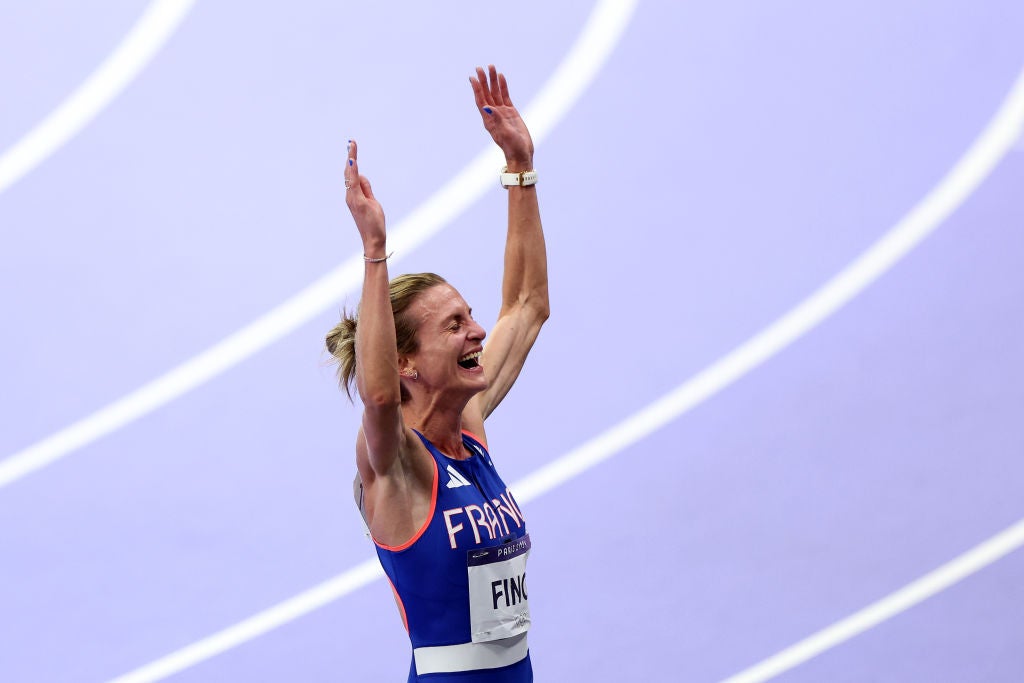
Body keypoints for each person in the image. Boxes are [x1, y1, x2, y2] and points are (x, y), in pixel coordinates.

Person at [326, 65, 547, 682]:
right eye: (453, 326)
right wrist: (375, 252)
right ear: (405, 362)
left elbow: (528, 306)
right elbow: (375, 396)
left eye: (469, 317)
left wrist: (519, 168)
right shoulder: (397, 465)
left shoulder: (469, 431)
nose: (476, 332)